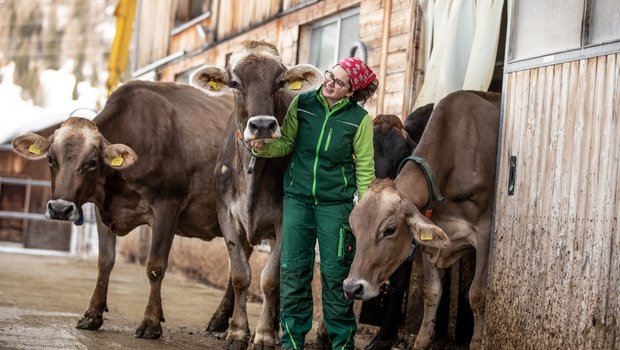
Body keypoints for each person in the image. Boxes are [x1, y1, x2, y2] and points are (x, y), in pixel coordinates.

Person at [250, 56, 378, 350]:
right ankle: (292, 342)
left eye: (338, 82)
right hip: (297, 199)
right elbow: (286, 144)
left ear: (351, 92)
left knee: (335, 275)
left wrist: (366, 212)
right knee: (293, 270)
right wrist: (261, 147)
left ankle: (342, 344)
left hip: (336, 205)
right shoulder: (303, 104)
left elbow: (365, 171)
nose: (329, 83)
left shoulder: (359, 121)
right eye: (329, 75)